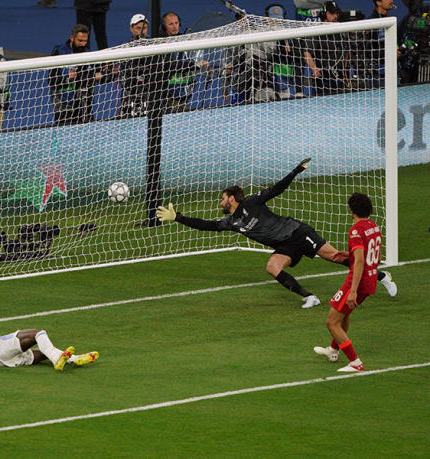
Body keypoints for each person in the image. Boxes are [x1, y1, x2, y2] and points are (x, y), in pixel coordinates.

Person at [156, 159, 397, 308]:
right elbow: (206, 225)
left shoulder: (252, 202)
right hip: (285, 246)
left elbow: (277, 189)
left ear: (232, 198)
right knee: (272, 266)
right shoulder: (232, 221)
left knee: (336, 257)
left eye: (223, 197)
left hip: (298, 233)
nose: (221, 201)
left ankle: (382, 276)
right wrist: (178, 218)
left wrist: (295, 172)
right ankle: (309, 297)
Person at [313, 193, 385, 372]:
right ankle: (333, 349)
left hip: (357, 281)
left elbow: (360, 261)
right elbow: (377, 256)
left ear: (352, 210)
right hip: (369, 280)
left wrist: (353, 290)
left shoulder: (356, 230)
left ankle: (355, 362)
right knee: (344, 314)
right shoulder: (373, 227)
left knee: (332, 322)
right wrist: (350, 253)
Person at [48, 24, 112, 125]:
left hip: (85, 105)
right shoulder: (59, 52)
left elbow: (103, 77)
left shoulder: (88, 54)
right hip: (64, 106)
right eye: (80, 41)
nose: (83, 44)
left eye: (85, 41)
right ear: (72, 38)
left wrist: (105, 74)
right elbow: (52, 81)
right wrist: (67, 78)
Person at [302, 1, 352, 96]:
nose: (336, 16)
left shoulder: (341, 29)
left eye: (337, 13)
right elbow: (307, 52)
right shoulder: (316, 31)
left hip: (340, 75)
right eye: (332, 13)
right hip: (323, 77)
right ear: (324, 14)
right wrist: (314, 68)